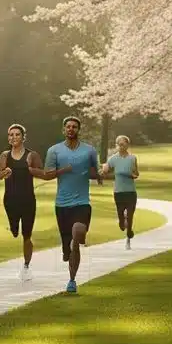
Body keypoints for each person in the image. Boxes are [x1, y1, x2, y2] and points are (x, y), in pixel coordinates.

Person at [44, 116, 102, 294]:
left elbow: (97, 172)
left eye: (74, 127)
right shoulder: (54, 150)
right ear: (64, 130)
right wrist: (63, 170)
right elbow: (47, 174)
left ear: (78, 130)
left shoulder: (89, 151)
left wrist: (103, 172)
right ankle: (67, 248)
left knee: (76, 235)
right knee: (68, 246)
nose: (71, 129)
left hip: (82, 202)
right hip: (62, 205)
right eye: (68, 127)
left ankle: (72, 280)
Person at [0, 123, 44, 281]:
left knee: (26, 235)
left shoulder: (32, 155)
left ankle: (26, 266)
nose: (13, 137)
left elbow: (41, 172)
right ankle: (13, 227)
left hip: (28, 200)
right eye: (11, 135)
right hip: (10, 200)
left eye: (17, 134)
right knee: (15, 231)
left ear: (23, 137)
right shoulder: (5, 156)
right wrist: (5, 173)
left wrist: (31, 169)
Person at [101, 134, 140, 249]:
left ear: (128, 145)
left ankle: (129, 233)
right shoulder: (113, 159)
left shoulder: (132, 158)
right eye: (120, 144)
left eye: (124, 144)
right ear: (117, 145)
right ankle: (122, 223)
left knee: (131, 215)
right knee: (121, 216)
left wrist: (133, 175)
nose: (122, 146)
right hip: (119, 191)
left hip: (131, 191)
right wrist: (104, 169)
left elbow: (136, 173)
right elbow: (106, 171)